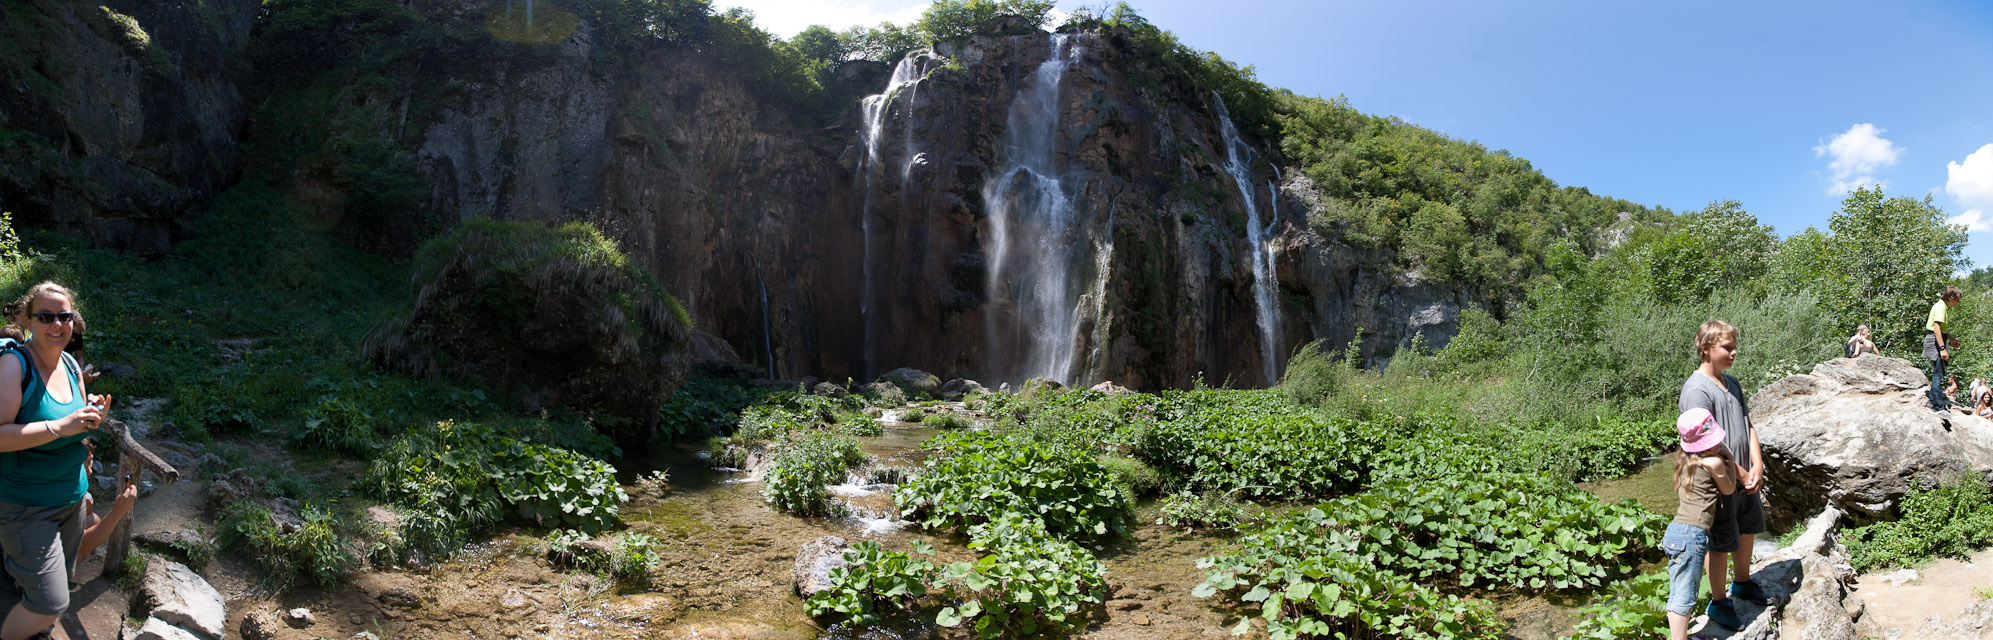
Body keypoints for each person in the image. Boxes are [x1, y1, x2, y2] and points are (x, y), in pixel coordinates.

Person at [0, 282, 110, 639]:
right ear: (28, 321)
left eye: (64, 316)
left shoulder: (68, 364)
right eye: (45, 317)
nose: (56, 324)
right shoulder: (14, 366)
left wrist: (91, 415)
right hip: (27, 503)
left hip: (71, 500)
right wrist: (59, 426)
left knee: (48, 592)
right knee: (50, 603)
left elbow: (76, 428)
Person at [1679, 319, 1772, 628]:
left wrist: (1757, 464)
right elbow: (1705, 448)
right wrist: (1742, 472)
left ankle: (1743, 582)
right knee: (1720, 541)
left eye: (1735, 347)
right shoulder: (1696, 390)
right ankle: (1719, 601)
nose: (1734, 353)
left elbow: (1747, 424)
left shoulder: (1731, 382)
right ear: (1706, 348)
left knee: (1747, 527)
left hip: (1745, 475)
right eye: (1727, 348)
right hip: (1719, 481)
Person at [1664, 408, 1742, 639]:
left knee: (1678, 590)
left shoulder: (1684, 460)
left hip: (1675, 532)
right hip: (1692, 536)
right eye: (1715, 441)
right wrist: (1730, 459)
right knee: (1685, 596)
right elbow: (1728, 489)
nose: (1719, 444)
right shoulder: (1715, 463)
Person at [1925, 287, 1963, 415]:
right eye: (1957, 300)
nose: (1958, 303)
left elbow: (1942, 329)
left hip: (1938, 340)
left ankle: (1931, 402)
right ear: (1952, 297)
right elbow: (1936, 329)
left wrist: (1951, 340)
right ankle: (1937, 407)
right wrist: (1942, 348)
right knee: (1938, 374)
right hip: (1935, 342)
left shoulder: (1942, 306)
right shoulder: (1941, 307)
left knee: (1939, 372)